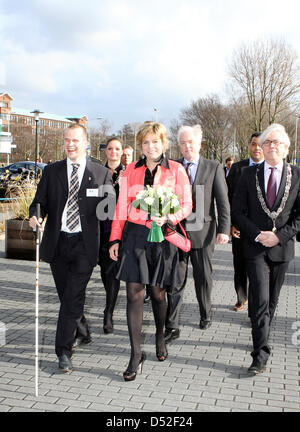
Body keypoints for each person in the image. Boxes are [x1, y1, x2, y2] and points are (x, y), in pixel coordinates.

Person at [109, 122, 192, 381]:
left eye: (155, 141)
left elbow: (188, 204)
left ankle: (159, 335)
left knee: (157, 293)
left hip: (163, 238)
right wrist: (114, 239)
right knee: (133, 292)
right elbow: (121, 207)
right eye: (145, 142)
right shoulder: (130, 171)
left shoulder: (176, 170)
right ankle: (135, 354)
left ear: (164, 144)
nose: (150, 146)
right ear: (140, 145)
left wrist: (169, 216)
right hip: (134, 237)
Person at [29, 124, 113, 373]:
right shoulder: (52, 171)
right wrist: (35, 216)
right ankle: (83, 331)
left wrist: (115, 243)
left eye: (75, 140)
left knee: (72, 298)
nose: (70, 144)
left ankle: (63, 352)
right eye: (67, 140)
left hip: (84, 247)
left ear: (86, 142)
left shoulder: (101, 174)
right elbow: (38, 203)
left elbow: (108, 213)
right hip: (58, 243)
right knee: (67, 296)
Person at [232, 123, 300, 375]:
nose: (273, 146)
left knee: (271, 300)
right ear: (261, 146)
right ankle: (260, 353)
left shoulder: (297, 175)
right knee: (259, 299)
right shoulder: (249, 175)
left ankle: (263, 333)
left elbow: (299, 216)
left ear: (286, 148)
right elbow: (238, 210)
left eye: (278, 142)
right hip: (255, 247)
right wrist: (258, 235)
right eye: (268, 142)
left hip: (281, 249)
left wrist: (278, 236)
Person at [164, 125, 230, 344]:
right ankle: (172, 324)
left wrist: (223, 229)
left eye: (190, 142)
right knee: (176, 279)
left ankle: (205, 313)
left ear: (199, 143)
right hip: (177, 233)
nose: (186, 147)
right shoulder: (172, 166)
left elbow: (222, 202)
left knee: (203, 277)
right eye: (182, 143)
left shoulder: (213, 167)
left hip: (203, 234)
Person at [227, 133, 264, 312]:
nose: (256, 148)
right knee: (239, 265)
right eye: (253, 144)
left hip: (261, 230)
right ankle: (241, 297)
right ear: (248, 146)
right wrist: (230, 224)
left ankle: (256, 304)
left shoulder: (269, 168)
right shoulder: (237, 168)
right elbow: (227, 198)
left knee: (257, 269)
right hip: (239, 228)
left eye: (260, 144)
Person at [100, 137, 124, 334]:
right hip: (102, 230)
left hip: (123, 231)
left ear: (122, 151)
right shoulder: (98, 172)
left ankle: (108, 311)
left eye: (117, 149)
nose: (113, 152)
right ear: (105, 151)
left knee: (114, 272)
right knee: (106, 274)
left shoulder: (130, 172)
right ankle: (109, 306)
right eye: (110, 148)